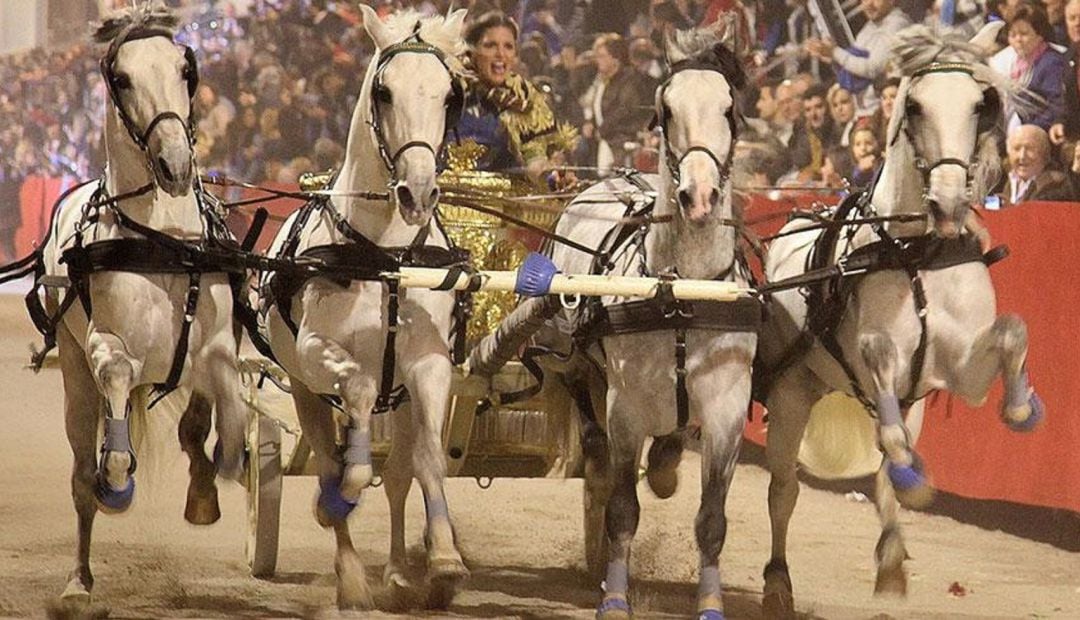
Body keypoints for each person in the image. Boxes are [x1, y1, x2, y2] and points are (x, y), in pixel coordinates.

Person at [454, 11, 577, 181]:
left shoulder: (523, 96)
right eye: (490, 45)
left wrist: (551, 176)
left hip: (500, 204)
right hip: (441, 199)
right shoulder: (449, 89)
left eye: (508, 46)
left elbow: (534, 155)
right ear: (472, 51)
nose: (501, 54)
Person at [804, 0, 912, 113]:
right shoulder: (869, 28)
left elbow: (872, 68)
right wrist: (830, 56)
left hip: (886, 108)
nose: (869, 4)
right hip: (863, 109)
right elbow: (851, 71)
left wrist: (835, 52)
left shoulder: (897, 24)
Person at [990, 3, 1067, 131]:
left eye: (1024, 34)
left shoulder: (1052, 63)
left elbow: (1056, 107)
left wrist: (1029, 129)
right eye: (1013, 35)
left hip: (1041, 133)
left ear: (1039, 35)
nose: (1018, 39)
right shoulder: (1015, 63)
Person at [582, 32, 653, 171]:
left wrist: (602, 129)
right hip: (605, 143)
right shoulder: (602, 80)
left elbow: (625, 108)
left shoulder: (630, 80)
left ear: (616, 58)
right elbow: (595, 105)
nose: (598, 60)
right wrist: (591, 122)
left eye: (602, 56)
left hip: (623, 144)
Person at [1000, 124, 1073, 204]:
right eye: (1017, 149)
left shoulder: (1057, 185)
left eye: (1030, 149)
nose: (1022, 156)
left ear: (1044, 153)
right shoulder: (1006, 180)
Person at [1048, 0, 1080, 145]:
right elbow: (1066, 101)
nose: (1077, 23)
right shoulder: (1068, 56)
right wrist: (1060, 122)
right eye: (1072, 18)